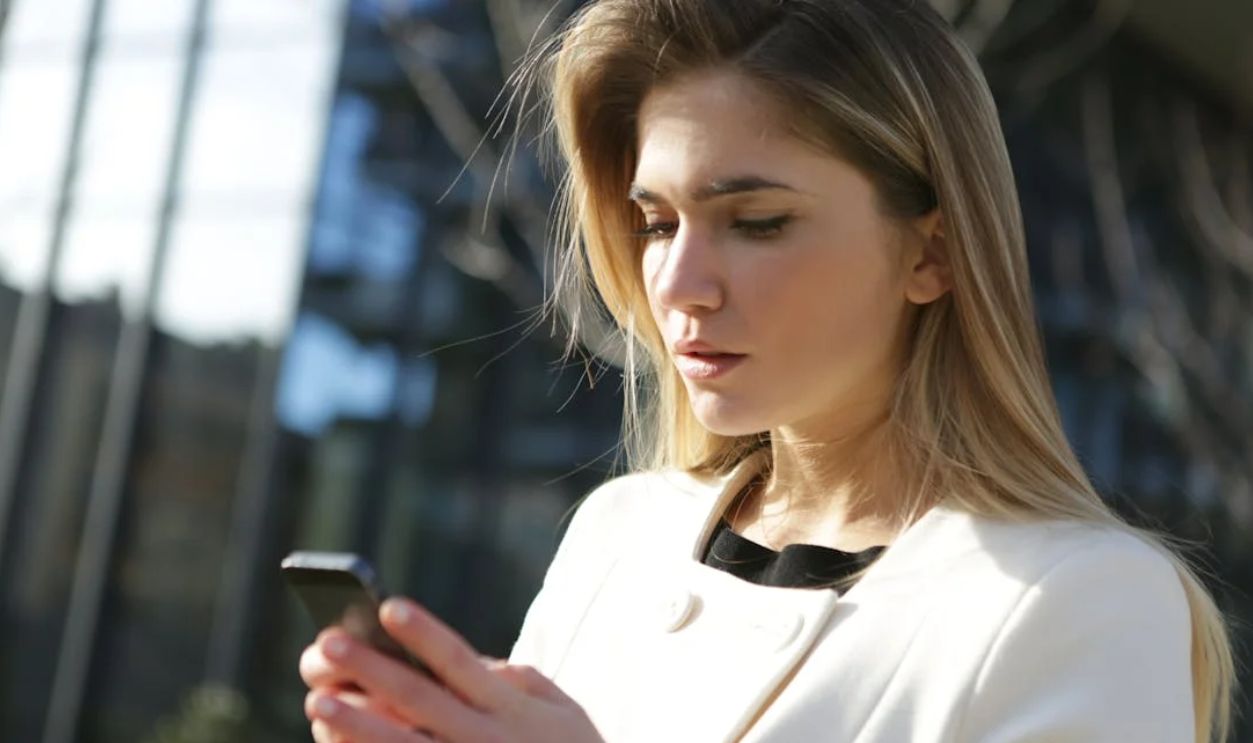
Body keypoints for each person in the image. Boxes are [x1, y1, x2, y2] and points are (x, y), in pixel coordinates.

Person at [299, 0, 1237, 741]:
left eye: (756, 223)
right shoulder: (620, 533)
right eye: (658, 222)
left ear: (932, 254)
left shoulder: (1079, 601)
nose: (678, 285)